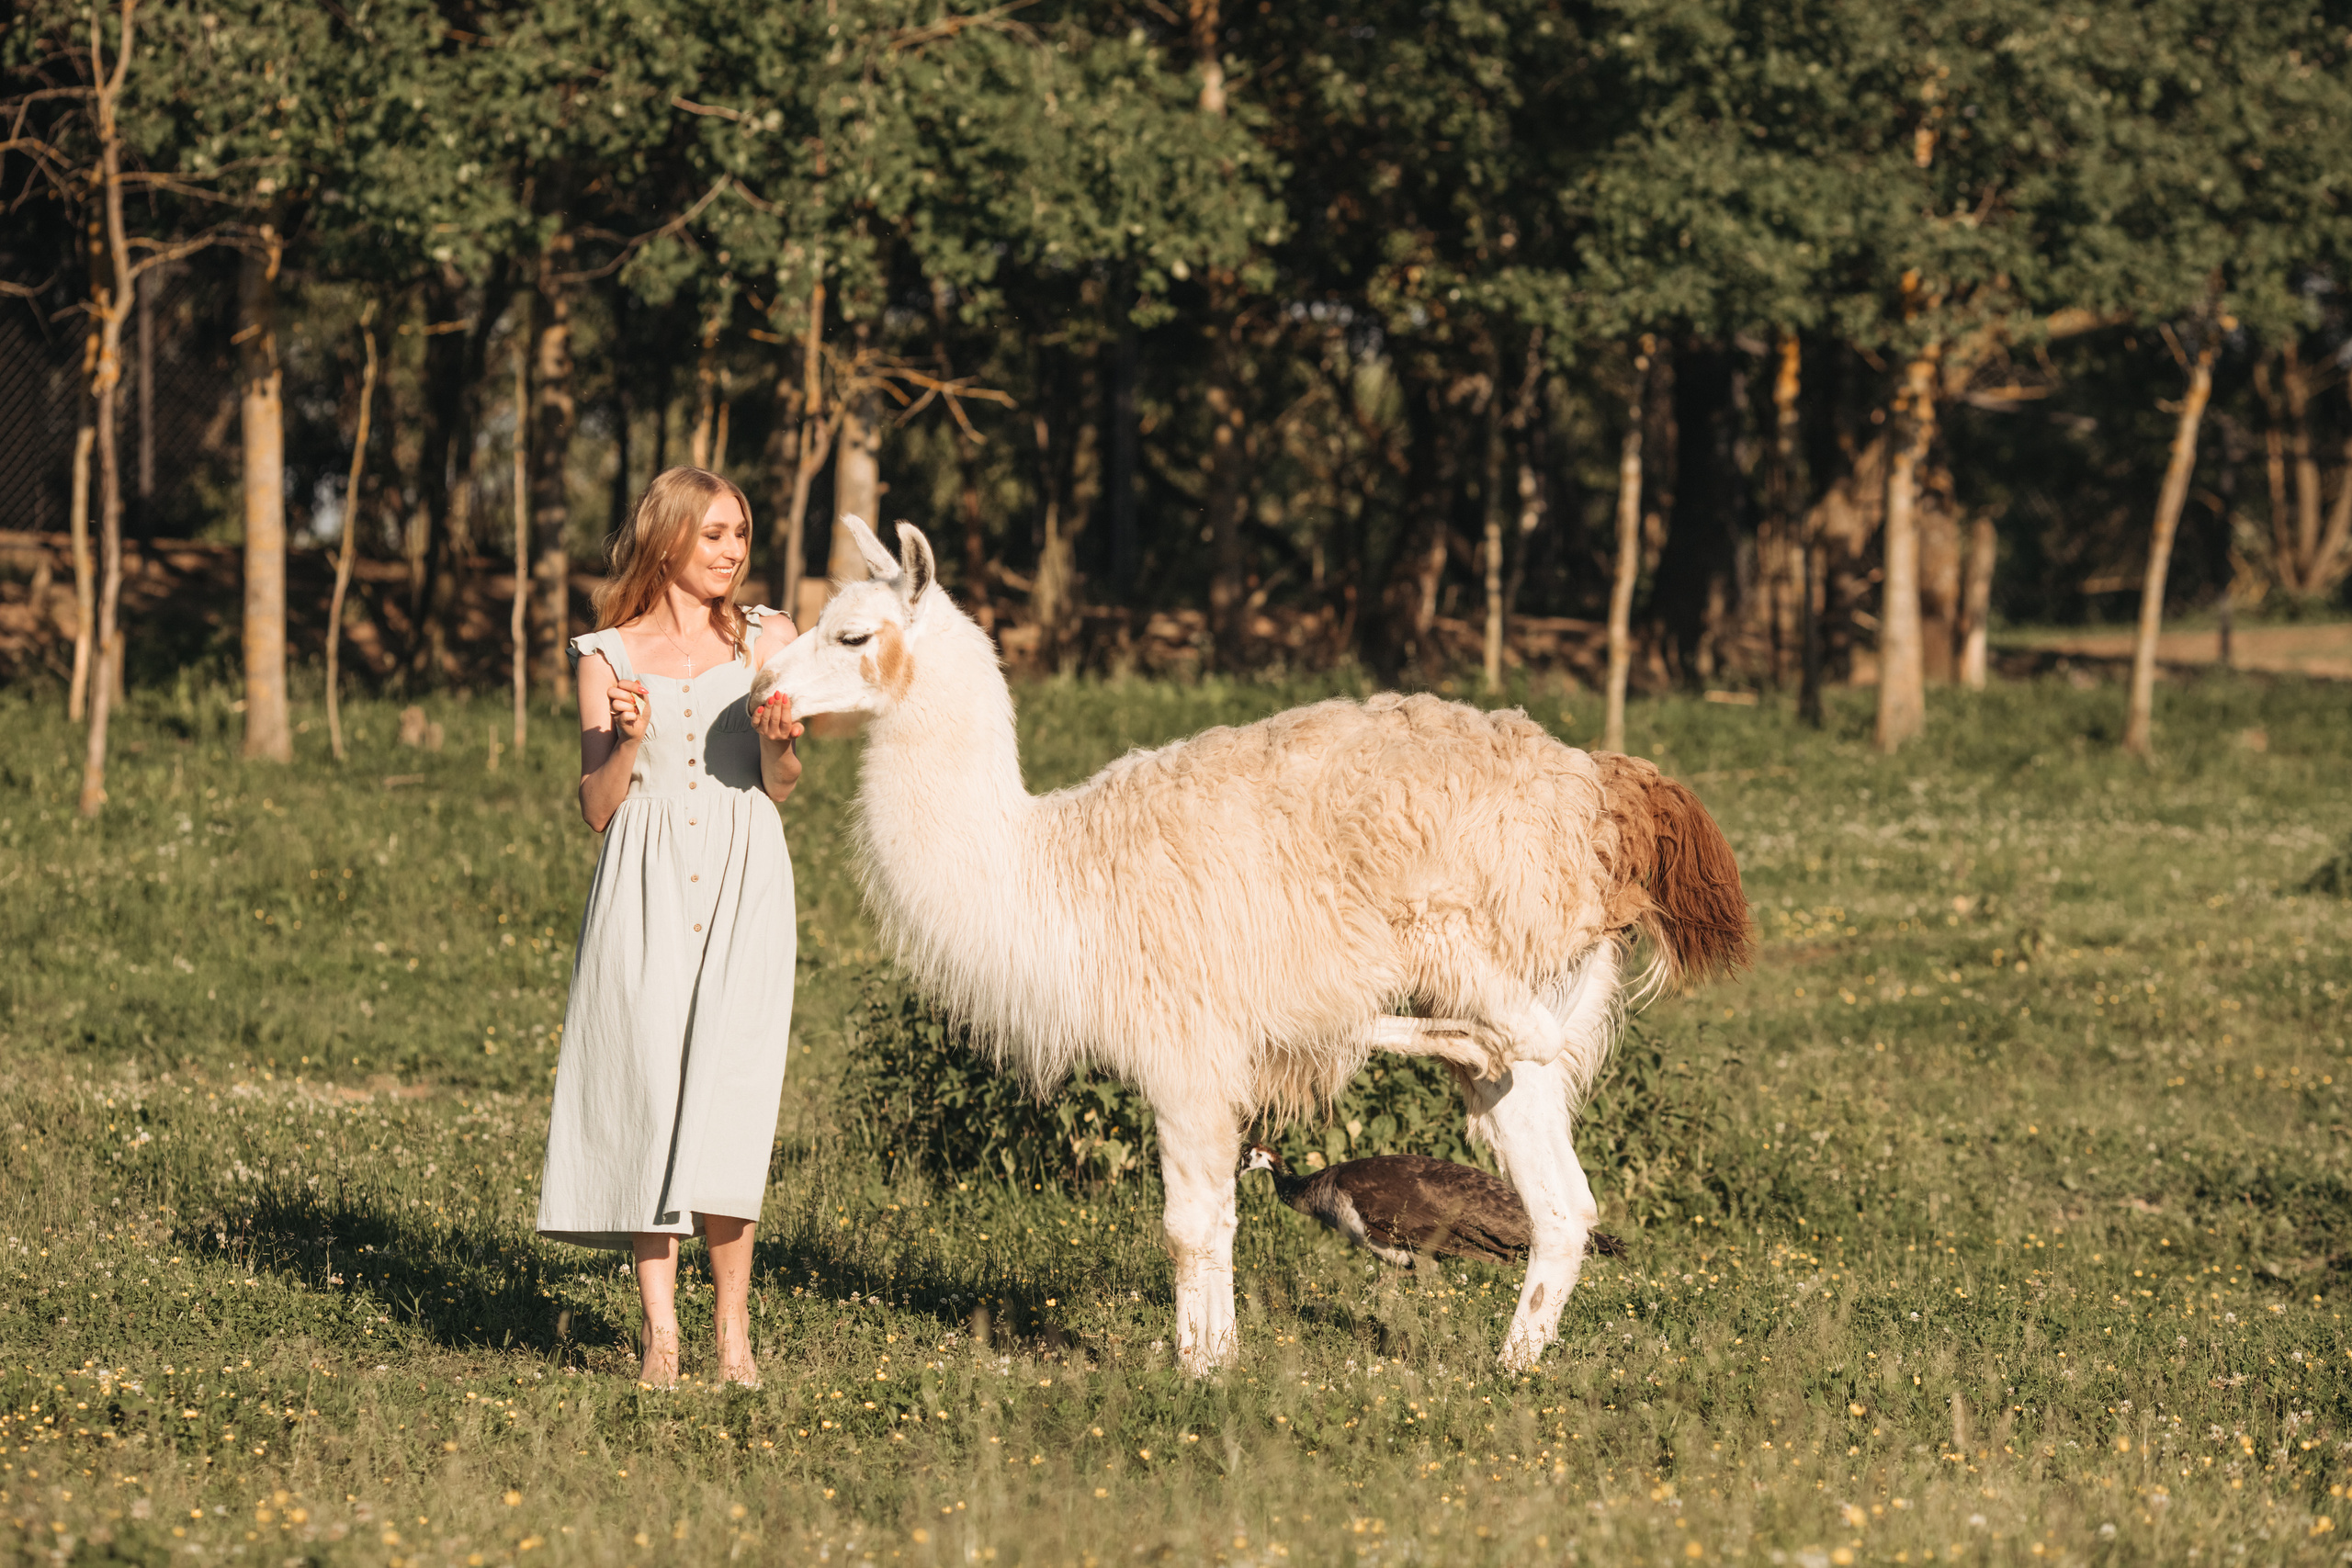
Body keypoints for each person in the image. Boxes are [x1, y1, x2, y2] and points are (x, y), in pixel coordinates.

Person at [536, 466, 805, 1388]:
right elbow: (598, 808)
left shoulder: (770, 637)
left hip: (745, 875)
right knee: (648, 1093)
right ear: (668, 539)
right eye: (715, 535)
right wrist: (630, 742)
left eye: (740, 534)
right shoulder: (604, 654)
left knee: (730, 1097)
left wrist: (779, 735)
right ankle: (661, 1338)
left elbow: (782, 784)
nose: (733, 552)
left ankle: (733, 1333)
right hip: (643, 886)